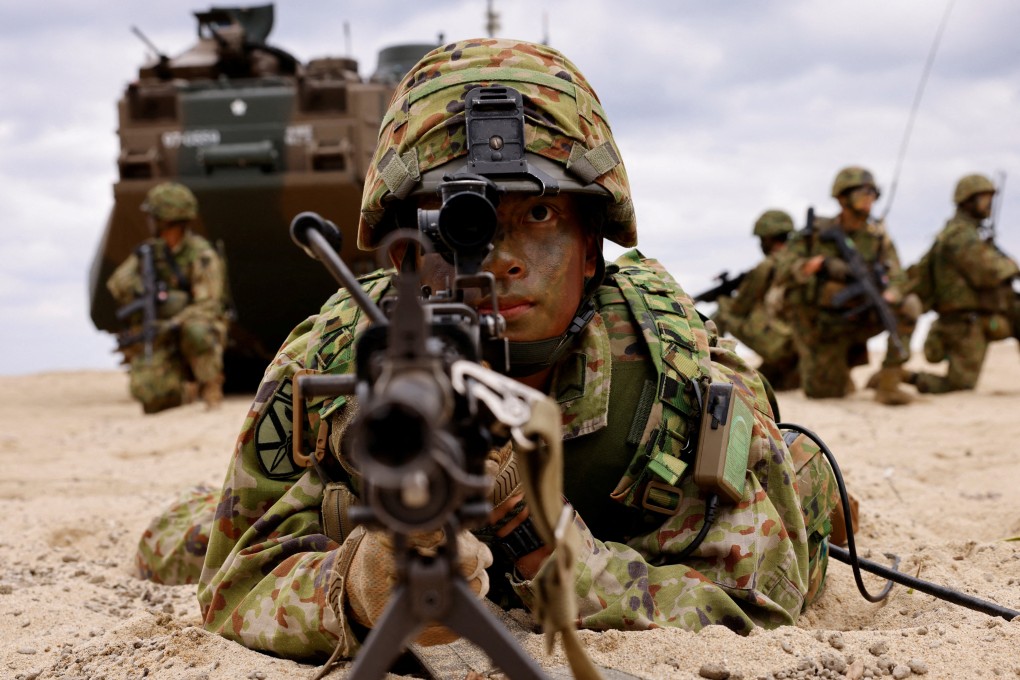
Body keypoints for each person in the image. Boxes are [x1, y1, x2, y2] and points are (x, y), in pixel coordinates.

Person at [137, 39, 839, 661]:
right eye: (454, 222)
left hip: (624, 526)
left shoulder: (668, 381)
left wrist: (545, 544)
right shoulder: (334, 357)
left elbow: (754, 595)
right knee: (171, 543)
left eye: (539, 214)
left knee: (815, 494)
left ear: (592, 243)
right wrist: (355, 585)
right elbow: (235, 579)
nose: (499, 260)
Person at [776, 166, 920, 405]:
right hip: (822, 326)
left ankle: (888, 383)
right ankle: (839, 369)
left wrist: (891, 294)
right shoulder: (817, 233)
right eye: (862, 192)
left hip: (862, 315)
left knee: (910, 305)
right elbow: (783, 268)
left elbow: (898, 276)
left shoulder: (877, 238)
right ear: (842, 198)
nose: (868, 199)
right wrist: (819, 264)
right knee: (824, 393)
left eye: (873, 193)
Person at [107, 182, 229, 413]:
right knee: (152, 399)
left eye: (153, 216)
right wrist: (142, 289)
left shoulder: (201, 254)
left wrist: (172, 323)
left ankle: (210, 388)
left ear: (165, 219)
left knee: (197, 332)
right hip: (160, 325)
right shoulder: (149, 252)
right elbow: (117, 283)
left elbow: (208, 304)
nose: (149, 221)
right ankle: (182, 390)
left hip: (192, 323)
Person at [908, 174, 1019, 393]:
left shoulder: (970, 233)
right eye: (983, 198)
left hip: (984, 314)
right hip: (964, 320)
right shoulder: (959, 235)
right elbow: (986, 273)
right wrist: (1011, 267)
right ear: (968, 200)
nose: (989, 204)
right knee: (960, 386)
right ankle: (906, 377)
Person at [714, 209, 800, 391]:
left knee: (723, 311)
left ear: (767, 238)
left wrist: (722, 298)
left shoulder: (767, 266)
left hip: (783, 343)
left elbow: (739, 308)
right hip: (801, 339)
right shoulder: (799, 260)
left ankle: (705, 362)